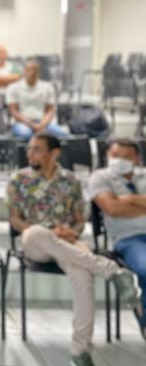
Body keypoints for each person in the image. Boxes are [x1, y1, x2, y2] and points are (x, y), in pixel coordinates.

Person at [7, 133, 140, 366]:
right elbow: (15, 220)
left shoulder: (70, 180)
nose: (30, 154)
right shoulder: (19, 179)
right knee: (37, 233)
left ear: (54, 153)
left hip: (68, 241)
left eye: (37, 149)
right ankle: (110, 269)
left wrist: (71, 231)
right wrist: (49, 232)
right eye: (29, 149)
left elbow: (79, 221)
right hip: (35, 241)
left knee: (82, 275)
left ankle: (80, 351)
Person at [88, 138, 146, 339]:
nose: (120, 160)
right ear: (107, 156)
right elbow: (112, 208)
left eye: (127, 156)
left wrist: (129, 200)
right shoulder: (100, 178)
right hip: (130, 239)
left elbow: (120, 206)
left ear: (137, 159)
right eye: (115, 155)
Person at [6, 61, 67, 140]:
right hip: (22, 123)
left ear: (38, 72)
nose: (31, 73)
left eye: (34, 70)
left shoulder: (47, 87)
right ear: (24, 71)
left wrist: (41, 125)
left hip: (43, 122)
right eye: (28, 70)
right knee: (26, 134)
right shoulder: (13, 88)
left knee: (62, 134)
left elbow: (50, 110)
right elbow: (14, 111)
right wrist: (33, 125)